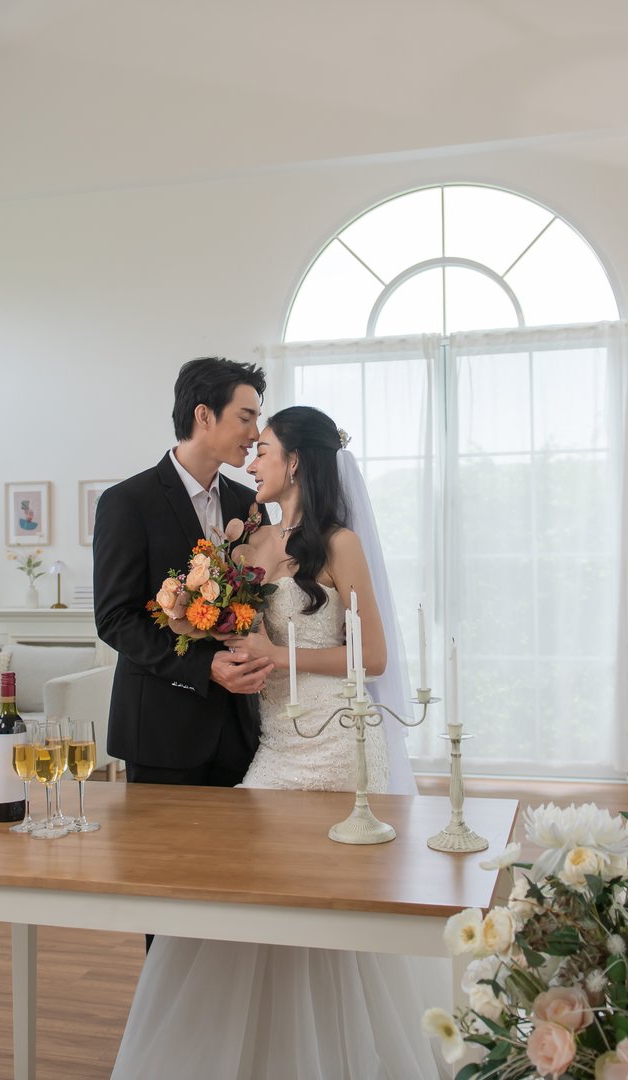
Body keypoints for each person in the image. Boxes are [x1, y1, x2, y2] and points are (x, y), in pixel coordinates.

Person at [110, 406, 447, 1080]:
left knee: (332, 911)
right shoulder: (243, 547)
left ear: (295, 461)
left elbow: (373, 656)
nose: (250, 461)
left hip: (336, 744)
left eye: (262, 449)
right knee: (244, 902)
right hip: (274, 748)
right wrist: (188, 605)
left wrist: (280, 653)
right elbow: (204, 629)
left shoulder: (339, 543)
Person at [93, 357, 273, 787]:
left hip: (240, 729)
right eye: (245, 418)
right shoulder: (127, 502)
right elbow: (115, 619)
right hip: (160, 729)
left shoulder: (249, 504)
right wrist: (206, 666)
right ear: (204, 415)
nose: (255, 434)